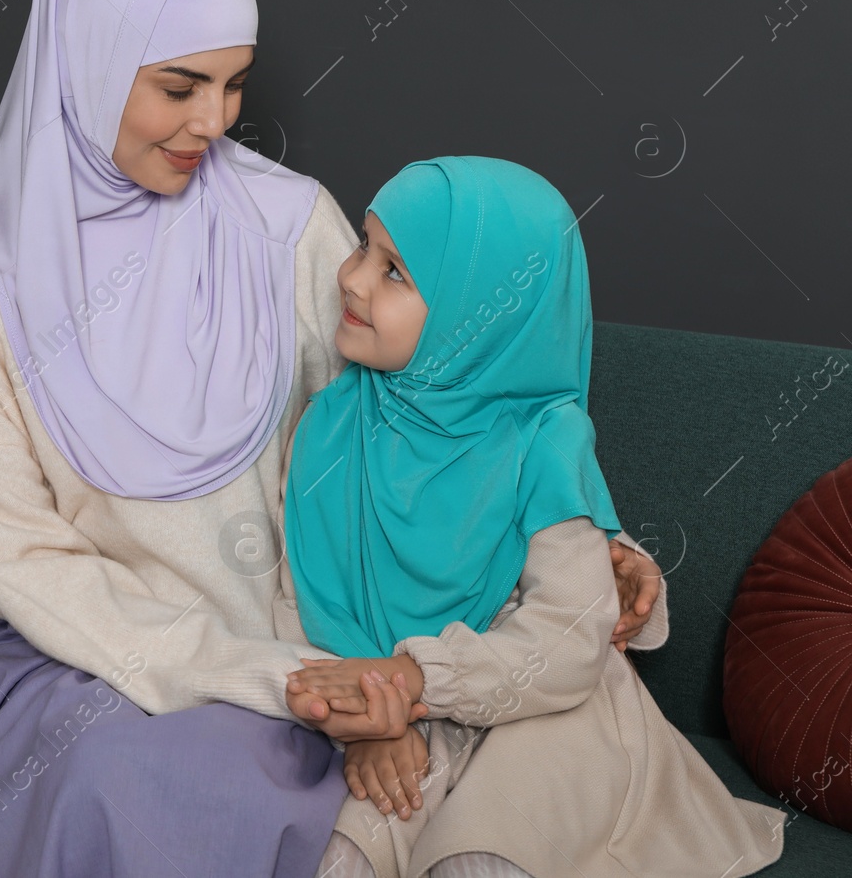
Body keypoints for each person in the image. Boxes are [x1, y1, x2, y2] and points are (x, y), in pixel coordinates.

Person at [0, 0, 661, 877]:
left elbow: (426, 419)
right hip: (73, 647)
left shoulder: (287, 223)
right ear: (81, 59)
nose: (212, 122)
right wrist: (292, 681)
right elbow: (24, 559)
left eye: (231, 85)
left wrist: (596, 546)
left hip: (308, 640)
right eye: (179, 85)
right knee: (123, 775)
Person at [282, 157, 784, 878]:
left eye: (395, 270)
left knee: (480, 858)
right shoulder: (330, 424)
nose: (352, 277)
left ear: (478, 312)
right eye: (364, 244)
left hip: (539, 704)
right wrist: (370, 714)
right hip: (397, 717)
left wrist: (410, 682)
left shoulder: (544, 439)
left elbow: (568, 637)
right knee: (337, 856)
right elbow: (294, 596)